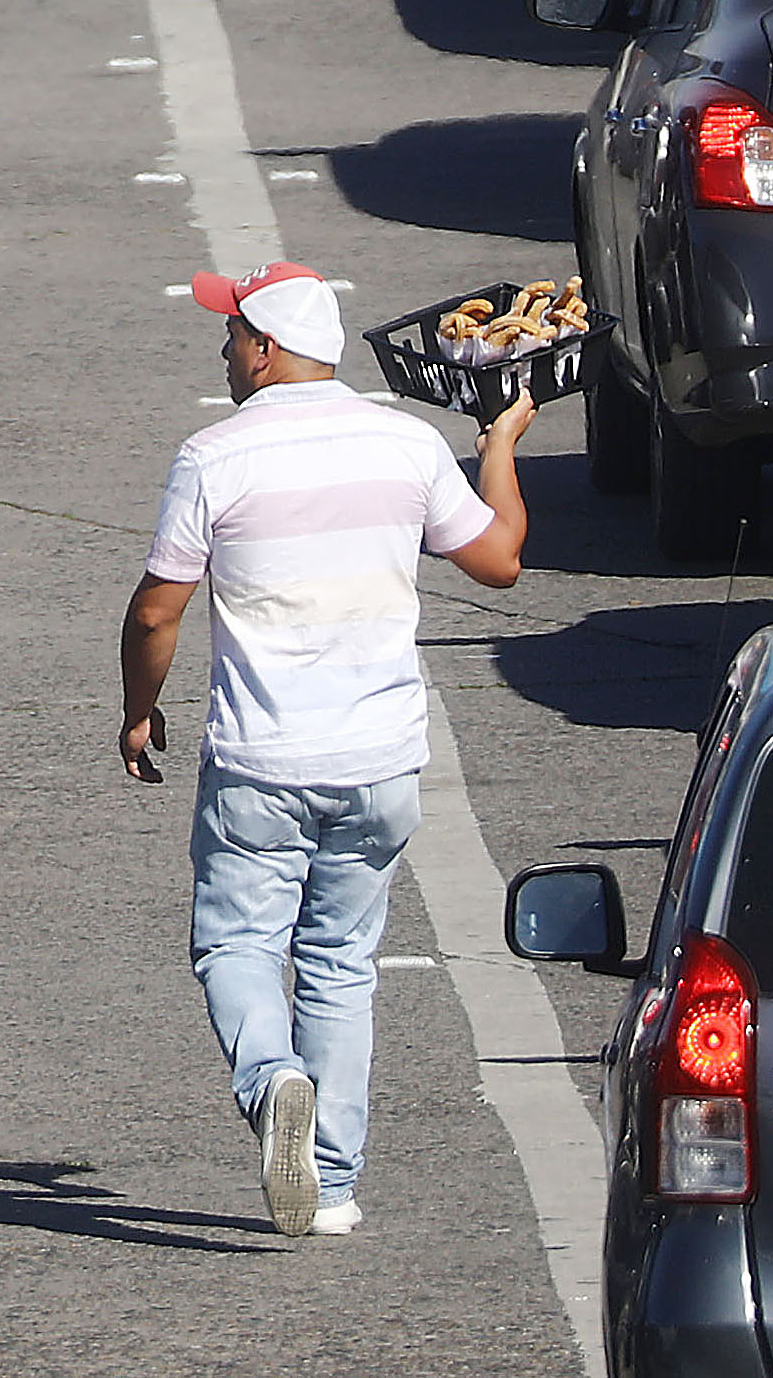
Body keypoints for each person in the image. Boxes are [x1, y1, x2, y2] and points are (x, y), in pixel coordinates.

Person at [115, 262, 536, 1241]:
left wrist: (139, 711)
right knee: (341, 964)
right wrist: (500, 446)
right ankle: (333, 1186)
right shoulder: (406, 444)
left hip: (261, 762)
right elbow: (500, 560)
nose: (224, 349)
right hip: (381, 762)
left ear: (265, 349)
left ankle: (273, 1086)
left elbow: (155, 609)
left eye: (232, 335)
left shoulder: (214, 456)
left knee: (234, 944)